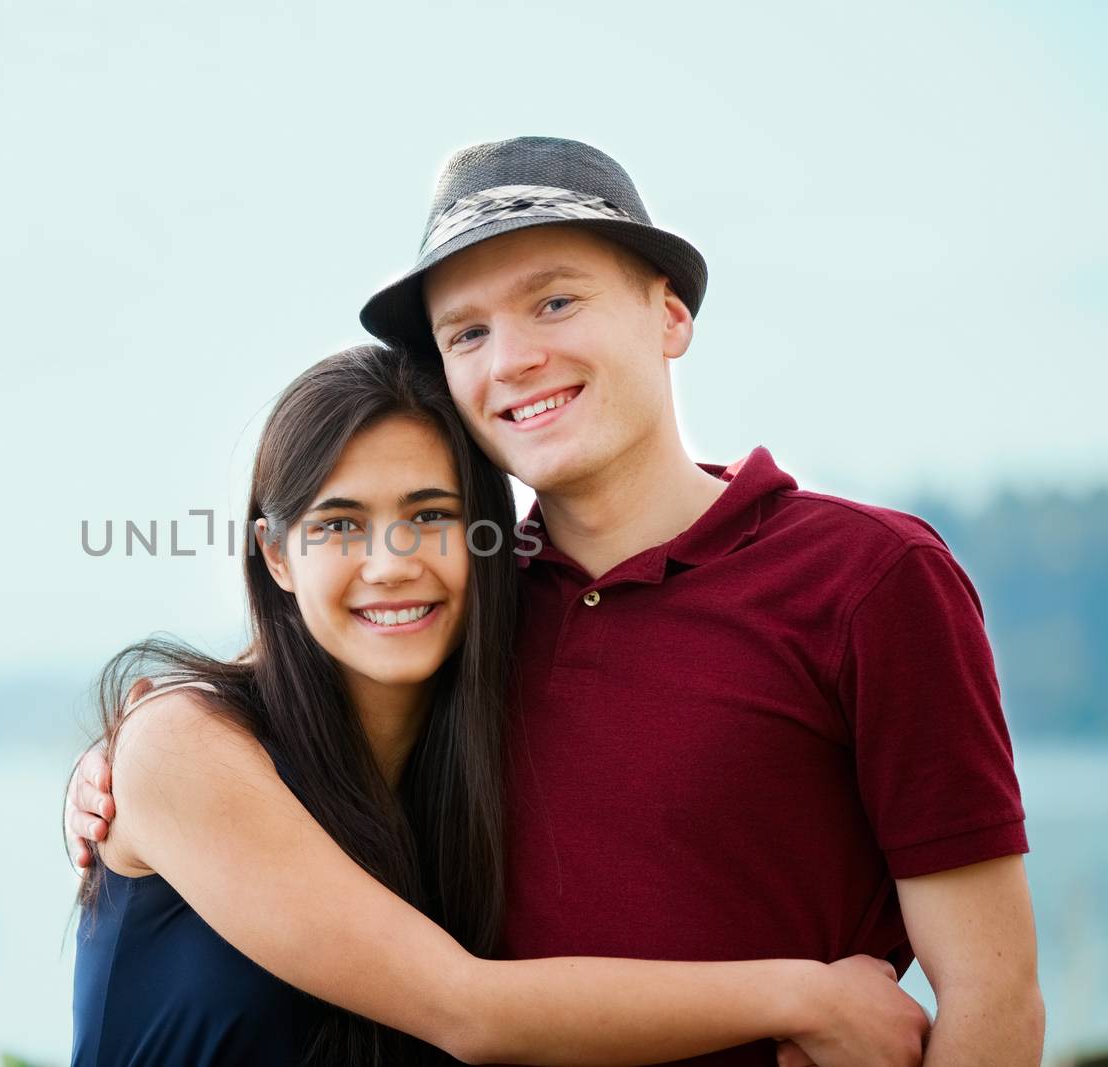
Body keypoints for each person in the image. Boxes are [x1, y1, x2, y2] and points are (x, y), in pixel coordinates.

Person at [70, 137, 1046, 1066]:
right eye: (468, 332)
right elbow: (282, 714)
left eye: (555, 301)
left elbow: (992, 994)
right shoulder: (471, 613)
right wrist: (127, 762)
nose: (512, 359)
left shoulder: (866, 579)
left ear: (669, 315)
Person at [71, 342, 928, 1067]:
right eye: (339, 525)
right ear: (277, 555)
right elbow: (465, 1008)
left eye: (431, 515)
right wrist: (805, 994)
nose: (391, 561)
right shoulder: (184, 743)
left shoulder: (478, 755)